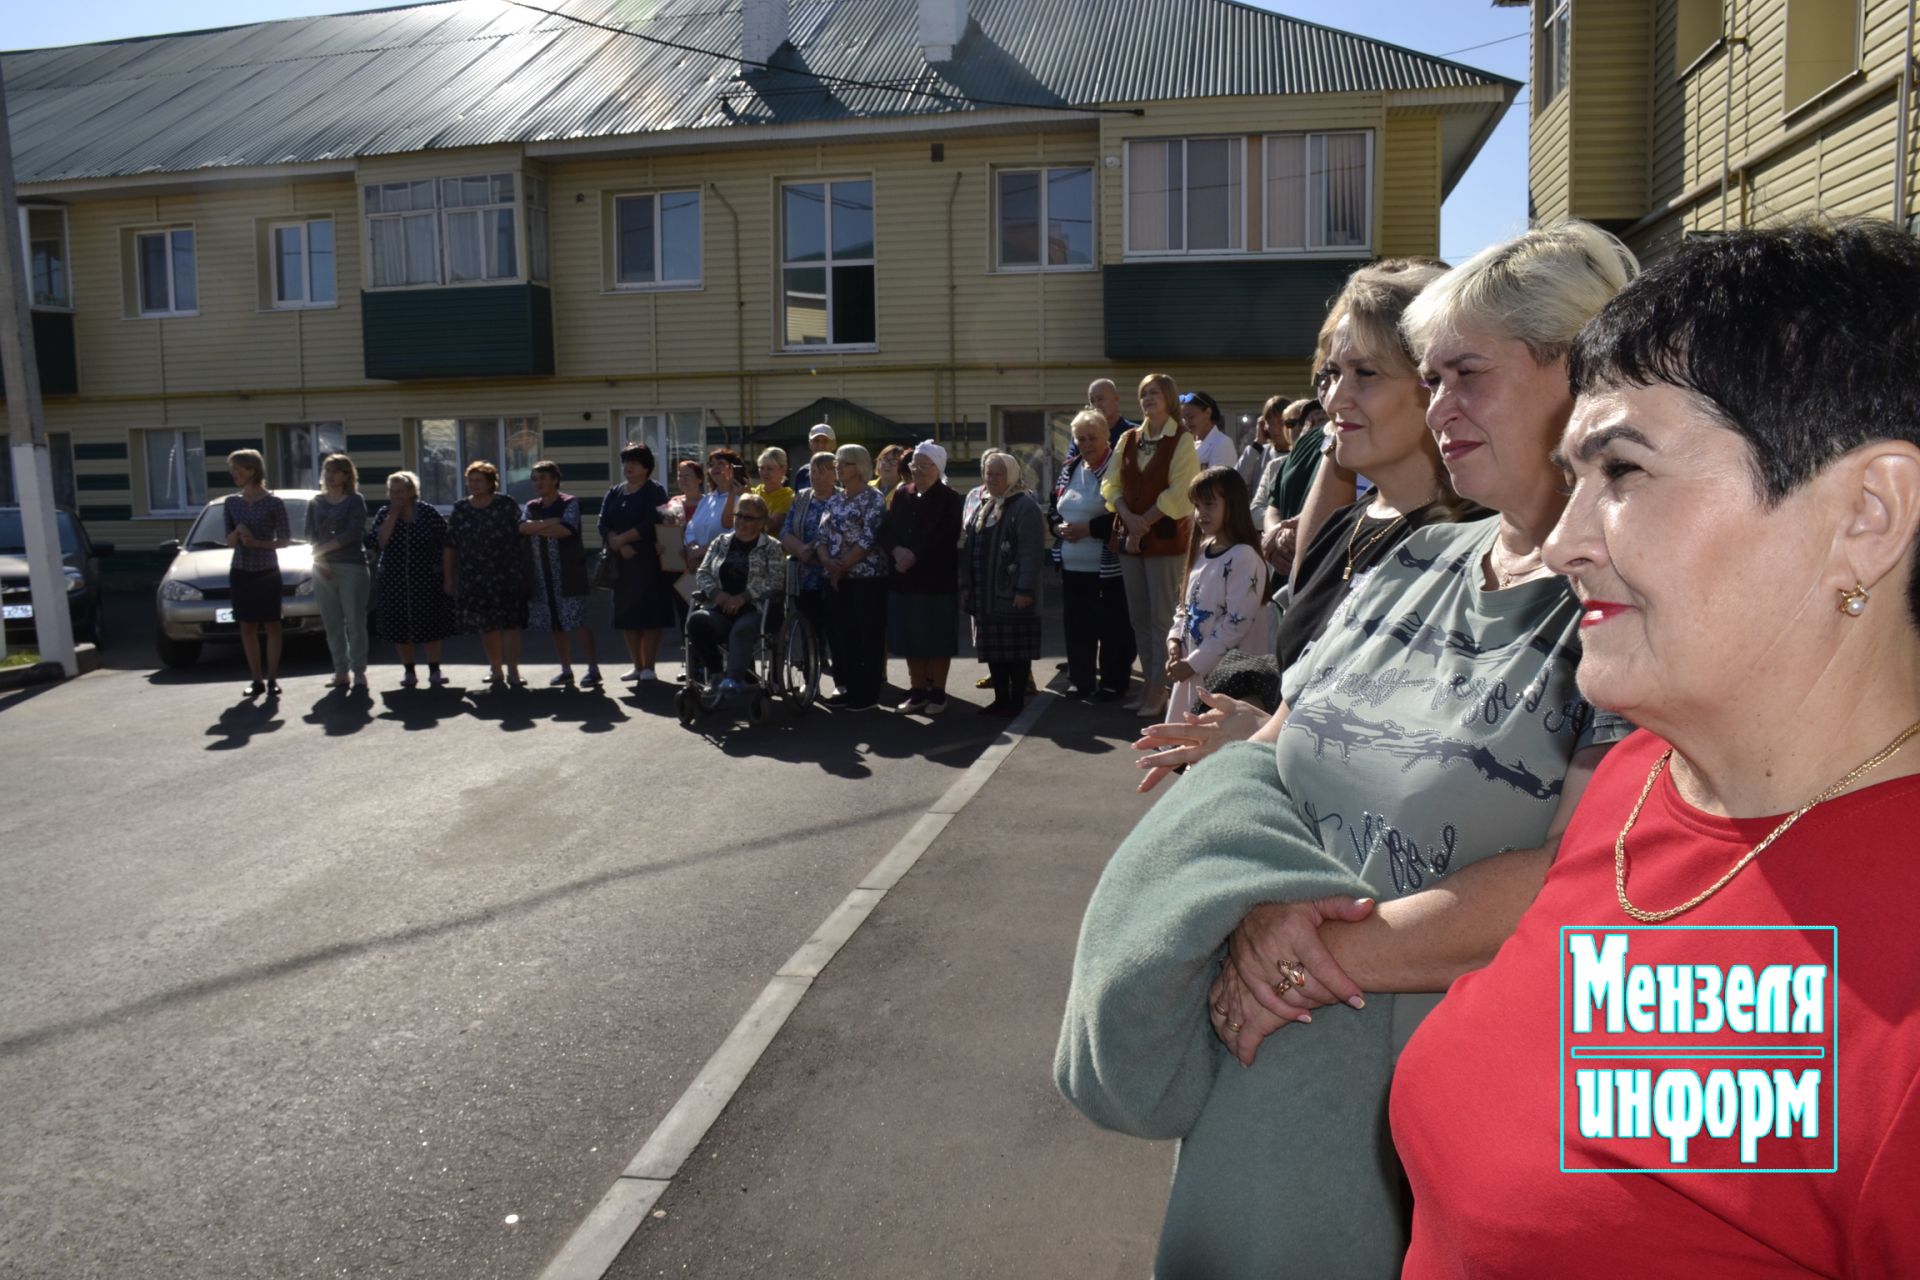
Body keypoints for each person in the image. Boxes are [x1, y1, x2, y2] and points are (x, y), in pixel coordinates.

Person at [1056, 221, 1640, 1280]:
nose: (1439, 405)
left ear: (1583, 373)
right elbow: (1273, 751)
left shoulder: (1624, 606)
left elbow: (1585, 880)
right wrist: (1262, 897)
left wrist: (1296, 950)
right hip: (1272, 1107)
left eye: (1465, 374)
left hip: (1440, 1138)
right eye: (1430, 376)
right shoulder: (1412, 555)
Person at [1388, 221, 1920, 1278]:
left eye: (1623, 469)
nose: (1568, 538)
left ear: (1868, 513)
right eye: (1574, 475)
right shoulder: (1636, 784)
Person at [1104, 372, 1199, 719]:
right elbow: (1110, 485)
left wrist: (1143, 523)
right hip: (1130, 538)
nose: (1147, 399)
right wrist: (1129, 517)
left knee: (1162, 619)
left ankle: (1161, 690)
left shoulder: (1182, 440)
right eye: (1143, 393)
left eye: (1154, 393)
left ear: (1169, 397)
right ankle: (1148, 684)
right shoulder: (1128, 438)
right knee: (1139, 618)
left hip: (1164, 541)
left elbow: (1181, 493)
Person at [1163, 466, 1268, 721]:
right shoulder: (1203, 548)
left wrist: (1194, 663)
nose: (1201, 514)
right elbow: (1185, 605)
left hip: (1228, 677)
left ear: (1233, 505)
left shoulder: (1243, 557)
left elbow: (1236, 624)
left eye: (1209, 504)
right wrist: (1175, 639)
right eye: (1197, 506)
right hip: (1195, 670)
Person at [1050, 409, 1133, 701]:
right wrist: (1058, 527)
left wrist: (1089, 529)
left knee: (1113, 629)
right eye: (1081, 438)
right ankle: (1080, 680)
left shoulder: (1119, 467)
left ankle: (1113, 682)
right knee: (1077, 628)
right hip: (1073, 567)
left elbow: (1127, 514)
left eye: (1092, 437)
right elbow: (1054, 507)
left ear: (1107, 436)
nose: (1087, 444)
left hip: (1108, 568)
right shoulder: (1070, 466)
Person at [878, 440, 963, 715]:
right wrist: (897, 551)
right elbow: (886, 530)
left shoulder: (949, 498)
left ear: (937, 468)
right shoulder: (902, 494)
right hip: (905, 578)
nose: (918, 470)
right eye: (914, 465)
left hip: (936, 579)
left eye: (924, 466)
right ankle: (917, 692)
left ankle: (937, 693)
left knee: (936, 638)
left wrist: (914, 555)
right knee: (912, 637)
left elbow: (946, 537)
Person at [961, 449, 1044, 717]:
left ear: (1012, 475)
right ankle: (1000, 699)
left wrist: (1024, 589)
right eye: (988, 473)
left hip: (1012, 595)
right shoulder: (985, 504)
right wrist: (967, 586)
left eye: (999, 473)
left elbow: (1031, 552)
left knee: (1015, 652)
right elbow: (970, 546)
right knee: (994, 652)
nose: (993, 478)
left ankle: (1016, 701)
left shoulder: (1024, 505)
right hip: (986, 596)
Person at [686, 492, 784, 690]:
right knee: (696, 621)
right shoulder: (720, 542)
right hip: (721, 606)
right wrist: (717, 595)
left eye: (748, 517)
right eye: (738, 515)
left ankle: (734, 678)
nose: (741, 521)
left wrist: (744, 597)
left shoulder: (771, 547)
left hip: (757, 609)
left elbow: (775, 580)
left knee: (742, 629)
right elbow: (703, 572)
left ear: (762, 521)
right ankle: (715, 673)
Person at [445, 460, 528, 689]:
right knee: (487, 625)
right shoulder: (461, 508)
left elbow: (522, 535)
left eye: (479, 480)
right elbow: (450, 544)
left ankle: (513, 670)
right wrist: (449, 577)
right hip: (474, 575)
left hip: (506, 572)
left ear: (491, 482)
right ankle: (496, 669)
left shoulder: (506, 504)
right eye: (470, 481)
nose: (474, 485)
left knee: (511, 624)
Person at [818, 444, 890, 711]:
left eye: (842, 462)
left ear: (859, 467)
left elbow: (868, 538)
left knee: (866, 635)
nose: (837, 466)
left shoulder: (874, 498)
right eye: (837, 462)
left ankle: (867, 693)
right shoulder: (836, 498)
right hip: (836, 578)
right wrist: (828, 562)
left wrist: (841, 566)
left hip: (866, 579)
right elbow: (822, 536)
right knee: (841, 635)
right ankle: (847, 687)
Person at [368, 470, 453, 687]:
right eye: (392, 492)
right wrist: (393, 515)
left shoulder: (427, 512)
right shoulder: (384, 513)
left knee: (430, 624)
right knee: (400, 626)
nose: (396, 495)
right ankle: (409, 671)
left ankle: (435, 670)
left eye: (401, 491)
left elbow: (446, 542)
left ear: (411, 491)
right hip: (394, 580)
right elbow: (379, 543)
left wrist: (447, 575)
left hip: (426, 577)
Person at [599, 443, 675, 682]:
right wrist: (618, 543)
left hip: (648, 562)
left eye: (634, 462)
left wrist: (624, 538)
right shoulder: (615, 491)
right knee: (627, 616)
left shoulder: (655, 490)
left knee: (650, 615)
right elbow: (603, 522)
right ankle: (636, 665)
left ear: (646, 467)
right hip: (622, 562)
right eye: (626, 462)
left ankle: (649, 667)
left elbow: (654, 520)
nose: (628, 467)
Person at [521, 460, 600, 687]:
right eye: (535, 479)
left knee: (576, 620)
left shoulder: (570, 502)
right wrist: (550, 522)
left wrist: (541, 526)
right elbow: (522, 527)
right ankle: (566, 669)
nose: (538, 483)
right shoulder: (532, 505)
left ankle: (593, 668)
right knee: (555, 623)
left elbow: (566, 530)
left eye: (543, 478)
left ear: (555, 479)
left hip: (567, 573)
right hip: (541, 574)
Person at [222, 448, 290, 698]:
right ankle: (256, 679)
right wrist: (238, 531)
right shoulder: (231, 502)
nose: (234, 474)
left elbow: (284, 540)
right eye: (233, 470)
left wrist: (259, 543)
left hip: (267, 570)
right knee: (247, 626)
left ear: (253, 470)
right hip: (241, 569)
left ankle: (273, 678)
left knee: (272, 625)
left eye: (239, 469)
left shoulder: (273, 502)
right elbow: (228, 541)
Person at [308, 452, 370, 691]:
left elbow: (354, 532)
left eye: (336, 471)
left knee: (355, 620)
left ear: (347, 475)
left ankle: (359, 671)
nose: (331, 476)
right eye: (327, 471)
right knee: (332, 622)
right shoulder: (316, 502)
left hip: (351, 565)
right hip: (322, 566)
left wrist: (324, 549)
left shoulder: (355, 500)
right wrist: (320, 559)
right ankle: (340, 670)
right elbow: (310, 534)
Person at [780, 450, 839, 679]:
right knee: (808, 628)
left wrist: (815, 547)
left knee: (834, 626)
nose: (816, 477)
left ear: (835, 474)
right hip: (804, 574)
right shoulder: (802, 497)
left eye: (822, 472)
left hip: (833, 573)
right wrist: (801, 549)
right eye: (813, 471)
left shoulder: (842, 498)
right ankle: (809, 676)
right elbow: (785, 530)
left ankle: (840, 678)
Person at [684, 448, 744, 577]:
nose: (715, 467)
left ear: (733, 468)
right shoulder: (706, 500)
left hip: (726, 570)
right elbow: (690, 529)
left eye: (721, 463)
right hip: (699, 569)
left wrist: (703, 550)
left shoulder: (741, 500)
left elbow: (735, 534)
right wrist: (693, 549)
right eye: (712, 465)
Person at [1179, 390, 1236, 473]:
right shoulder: (1187, 443)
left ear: (1208, 413)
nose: (1186, 423)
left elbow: (1218, 483)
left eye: (1191, 417)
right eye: (1183, 419)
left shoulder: (1222, 443)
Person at [750, 447, 795, 528]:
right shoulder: (753, 491)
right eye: (761, 468)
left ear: (783, 469)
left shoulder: (788, 497)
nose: (764, 473)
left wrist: (750, 500)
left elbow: (771, 527)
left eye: (770, 469)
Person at [791, 423, 836, 491]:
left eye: (825, 441)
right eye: (816, 441)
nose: (820, 445)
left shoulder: (841, 471)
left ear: (834, 444)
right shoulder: (802, 473)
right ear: (810, 444)